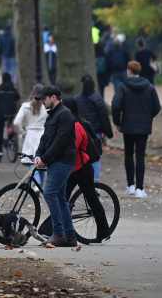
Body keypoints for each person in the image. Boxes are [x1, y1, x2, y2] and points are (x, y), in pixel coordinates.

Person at [62, 97, 110, 243]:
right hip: (75, 167)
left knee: (90, 198)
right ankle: (54, 229)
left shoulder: (76, 125)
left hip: (82, 168)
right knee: (62, 197)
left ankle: (103, 230)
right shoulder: (75, 122)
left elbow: (73, 147)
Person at [34, 86, 76, 247]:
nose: (43, 102)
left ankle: (59, 233)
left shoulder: (64, 114)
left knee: (50, 193)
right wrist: (38, 154)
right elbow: (45, 139)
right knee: (59, 198)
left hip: (63, 161)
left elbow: (61, 141)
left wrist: (45, 158)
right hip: (55, 160)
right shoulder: (52, 115)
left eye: (44, 99)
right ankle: (69, 236)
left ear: (53, 97)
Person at [111, 61, 161, 198]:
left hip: (127, 126)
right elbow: (157, 107)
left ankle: (130, 185)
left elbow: (115, 105)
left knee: (128, 155)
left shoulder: (122, 87)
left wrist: (117, 122)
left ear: (129, 71)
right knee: (140, 156)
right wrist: (148, 117)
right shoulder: (149, 87)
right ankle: (140, 188)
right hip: (143, 127)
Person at [13, 85, 48, 168]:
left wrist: (23, 132)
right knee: (42, 166)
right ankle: (40, 181)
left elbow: (16, 122)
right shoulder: (46, 107)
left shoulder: (25, 106)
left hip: (29, 136)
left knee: (32, 166)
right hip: (43, 137)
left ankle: (37, 181)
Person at [0, 73, 21, 158]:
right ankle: (11, 140)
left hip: (0, 113)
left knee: (0, 129)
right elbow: (18, 97)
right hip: (11, 112)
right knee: (9, 125)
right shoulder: (13, 89)